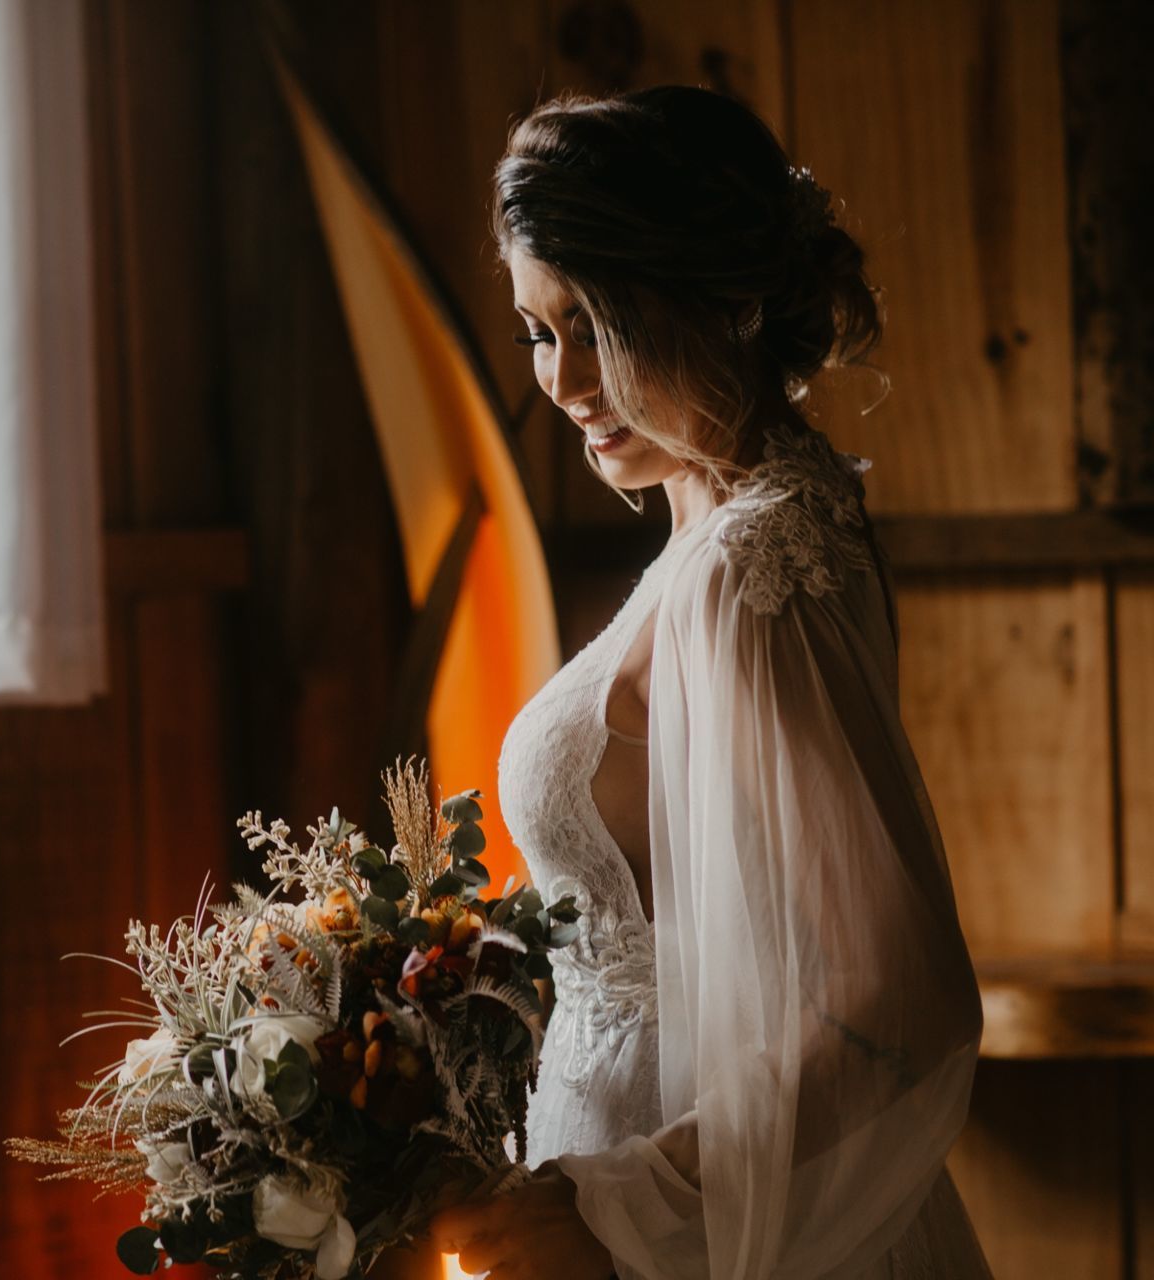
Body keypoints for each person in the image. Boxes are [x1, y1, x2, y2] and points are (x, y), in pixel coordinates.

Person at [430, 87, 993, 1278]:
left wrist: (622, 1204)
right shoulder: (742, 523)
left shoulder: (749, 570)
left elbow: (903, 1002)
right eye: (540, 330)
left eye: (597, 322)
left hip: (688, 1224)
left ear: (726, 300)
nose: (567, 379)